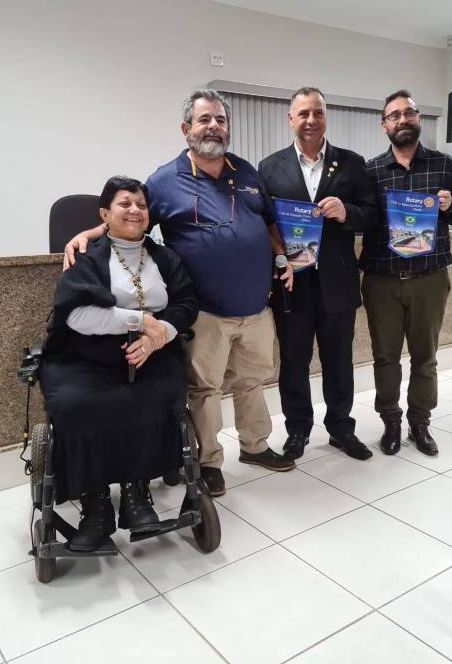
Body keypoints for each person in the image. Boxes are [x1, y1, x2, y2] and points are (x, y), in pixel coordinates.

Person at [64, 89, 294, 498]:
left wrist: (281, 256)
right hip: (204, 310)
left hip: (257, 306)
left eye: (220, 119)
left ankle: (255, 446)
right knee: (204, 388)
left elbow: (269, 222)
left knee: (253, 381)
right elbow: (133, 218)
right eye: (205, 119)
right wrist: (92, 232)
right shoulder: (164, 180)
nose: (214, 127)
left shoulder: (246, 172)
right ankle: (209, 462)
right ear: (186, 128)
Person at [41, 176, 198, 551]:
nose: (134, 210)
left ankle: (136, 494)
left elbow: (186, 304)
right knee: (75, 404)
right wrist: (138, 321)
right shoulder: (86, 256)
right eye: (125, 203)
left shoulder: (164, 257)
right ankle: (96, 504)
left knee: (154, 395)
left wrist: (159, 335)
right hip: (87, 356)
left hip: (152, 355)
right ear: (104, 214)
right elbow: (76, 315)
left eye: (141, 205)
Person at [258, 87, 378, 461]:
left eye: (318, 113)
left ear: (325, 117)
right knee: (294, 361)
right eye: (304, 113)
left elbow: (372, 216)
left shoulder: (352, 163)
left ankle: (341, 428)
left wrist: (347, 212)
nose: (311, 120)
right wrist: (279, 260)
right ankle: (297, 430)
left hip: (338, 282)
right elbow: (263, 223)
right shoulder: (269, 167)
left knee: (339, 360)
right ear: (290, 119)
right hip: (291, 283)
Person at [360, 89, 452, 456]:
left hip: (429, 278)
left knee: (426, 357)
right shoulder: (370, 171)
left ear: (418, 118)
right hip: (382, 280)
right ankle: (391, 421)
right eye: (394, 115)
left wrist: (450, 204)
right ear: (384, 125)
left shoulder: (443, 164)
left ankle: (420, 422)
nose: (402, 120)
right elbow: (362, 220)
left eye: (408, 113)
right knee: (385, 358)